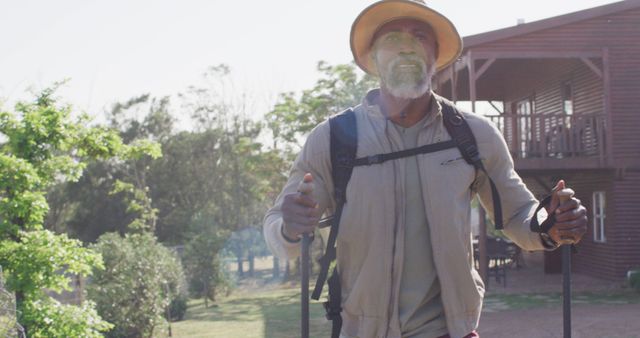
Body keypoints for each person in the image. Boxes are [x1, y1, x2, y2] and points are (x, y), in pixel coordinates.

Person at [263, 1, 588, 337]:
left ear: (436, 55)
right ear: (373, 58)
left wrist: (550, 223)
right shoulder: (333, 140)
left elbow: (519, 214)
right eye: (391, 39)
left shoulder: (472, 135)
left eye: (419, 37)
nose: (406, 48)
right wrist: (289, 226)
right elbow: (280, 232)